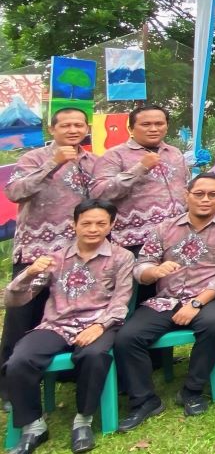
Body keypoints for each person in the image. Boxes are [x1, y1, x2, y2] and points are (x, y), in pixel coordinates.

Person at [115, 172, 215, 429]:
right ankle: (144, 400)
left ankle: (192, 390)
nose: (206, 200)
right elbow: (143, 264)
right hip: (166, 299)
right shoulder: (165, 228)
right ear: (186, 195)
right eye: (199, 194)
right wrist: (153, 272)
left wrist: (196, 304)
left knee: (214, 326)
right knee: (127, 337)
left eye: (213, 195)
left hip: (212, 297)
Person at [3, 200, 133, 454]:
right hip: (56, 324)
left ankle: (83, 420)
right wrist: (28, 274)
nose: (93, 229)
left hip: (99, 323)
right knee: (20, 359)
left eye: (100, 223)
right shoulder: (54, 258)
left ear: (112, 225)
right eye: (86, 223)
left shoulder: (122, 257)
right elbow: (14, 299)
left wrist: (100, 325)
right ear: (74, 224)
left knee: (94, 355)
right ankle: (33, 425)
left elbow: (121, 300)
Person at [1, 107, 95, 400]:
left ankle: (65, 372)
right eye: (65, 125)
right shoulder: (34, 158)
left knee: (69, 312)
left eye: (78, 125)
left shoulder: (93, 161)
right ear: (52, 130)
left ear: (86, 128)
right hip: (37, 251)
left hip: (78, 253)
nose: (72, 130)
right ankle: (8, 384)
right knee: (23, 315)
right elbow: (15, 192)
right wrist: (52, 164)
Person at [90, 104, 188, 254]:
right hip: (136, 241)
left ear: (167, 126)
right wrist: (140, 168)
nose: (153, 129)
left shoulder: (174, 153)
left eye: (159, 124)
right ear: (131, 128)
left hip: (176, 237)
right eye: (146, 124)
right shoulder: (115, 155)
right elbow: (99, 194)